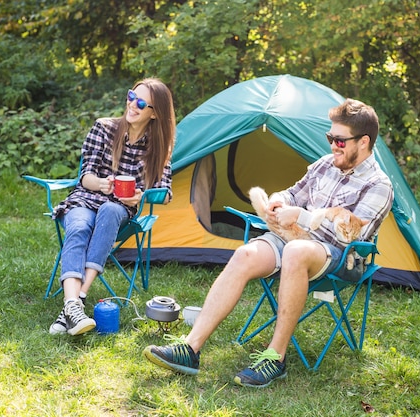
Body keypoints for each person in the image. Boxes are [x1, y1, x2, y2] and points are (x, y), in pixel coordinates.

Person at [143, 98, 394, 387]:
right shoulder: (326, 165)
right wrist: (279, 201)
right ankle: (190, 348)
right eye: (330, 138)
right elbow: (293, 192)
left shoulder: (378, 185)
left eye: (339, 141)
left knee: (297, 252)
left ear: (363, 142)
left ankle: (275, 357)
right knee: (244, 255)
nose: (332, 146)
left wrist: (301, 215)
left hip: (339, 257)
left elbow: (351, 237)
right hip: (293, 238)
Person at [49, 78, 175, 336]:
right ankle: (74, 305)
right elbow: (85, 177)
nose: (132, 104)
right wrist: (102, 185)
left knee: (109, 211)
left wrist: (142, 196)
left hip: (119, 209)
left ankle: (74, 305)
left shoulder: (158, 145)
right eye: (131, 96)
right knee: (79, 226)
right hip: (87, 197)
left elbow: (166, 194)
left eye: (141, 102)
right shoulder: (104, 128)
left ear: (155, 113)